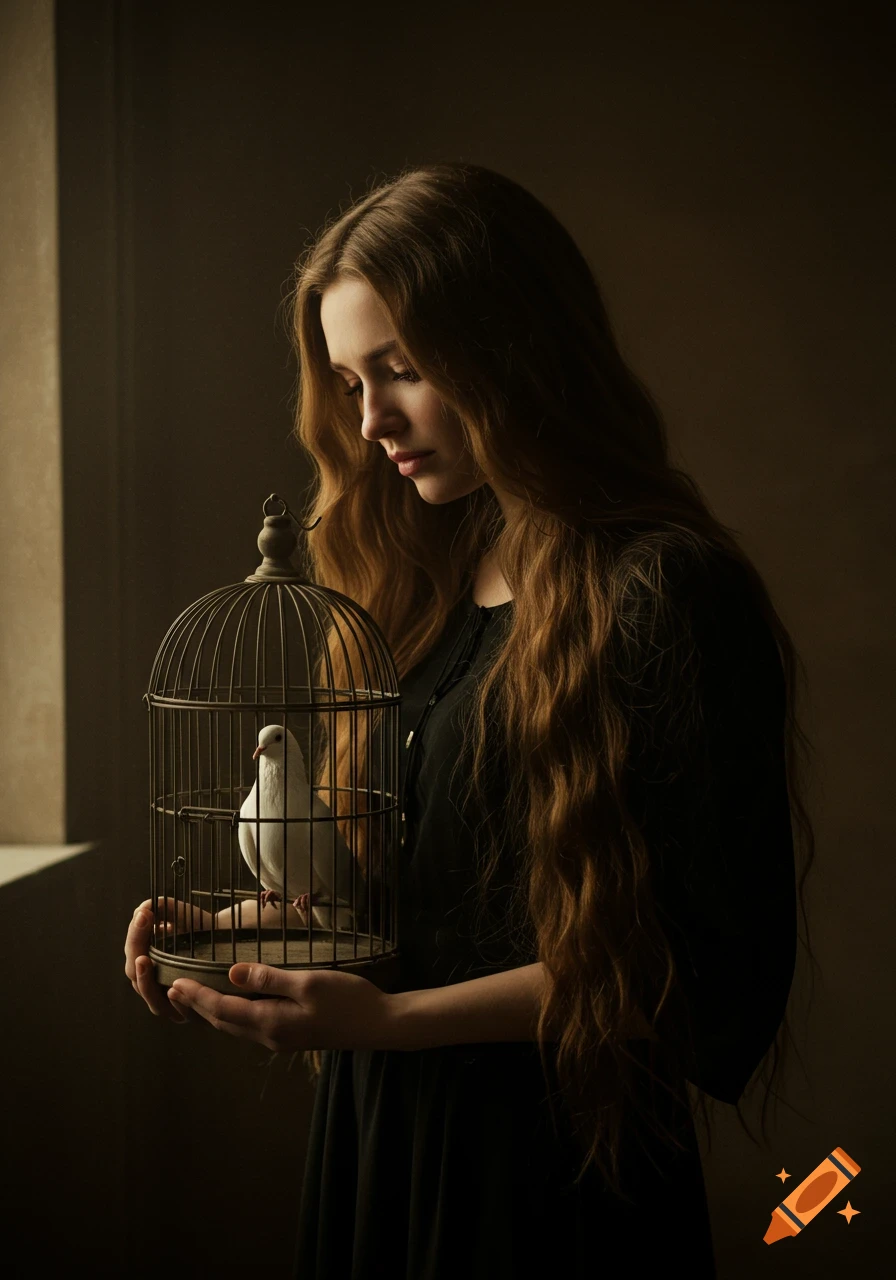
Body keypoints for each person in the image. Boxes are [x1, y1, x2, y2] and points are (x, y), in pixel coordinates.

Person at [124, 161, 813, 1278]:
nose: (371, 420)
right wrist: (251, 928)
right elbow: (434, 902)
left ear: (512, 349)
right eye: (349, 382)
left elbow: (696, 971)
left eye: (401, 369)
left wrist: (389, 1022)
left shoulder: (665, 591)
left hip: (549, 1178)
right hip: (378, 1139)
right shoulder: (422, 587)